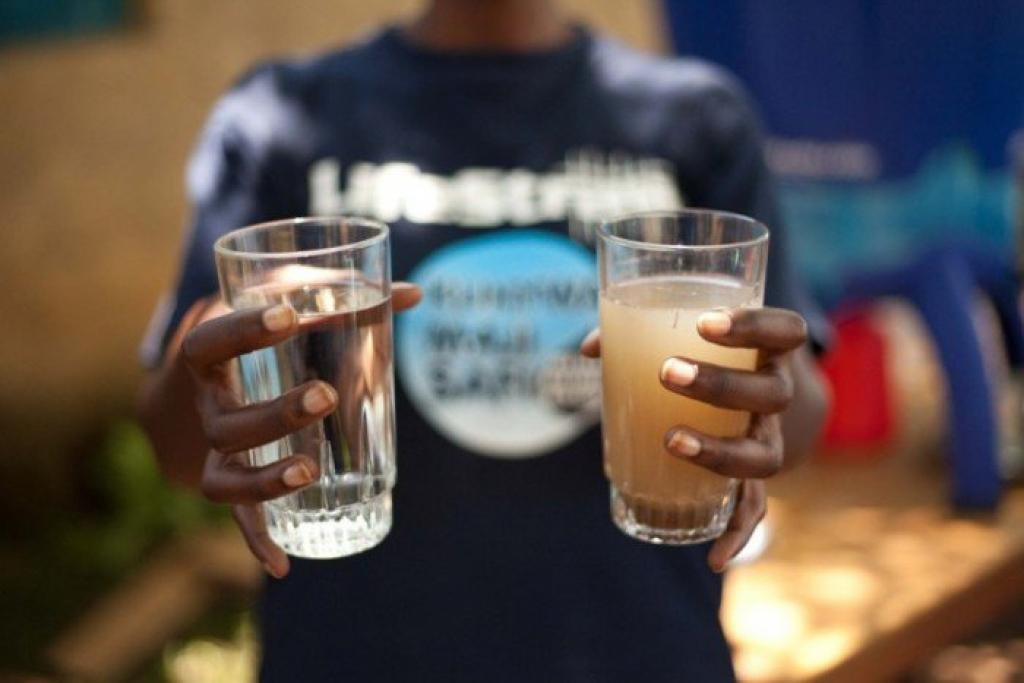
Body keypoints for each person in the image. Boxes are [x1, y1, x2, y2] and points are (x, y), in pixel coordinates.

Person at [137, 0, 829, 679]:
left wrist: (761, 398)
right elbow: (178, 439)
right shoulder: (276, 115)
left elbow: (792, 414)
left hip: (641, 646)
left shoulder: (698, 117)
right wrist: (208, 383)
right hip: (353, 651)